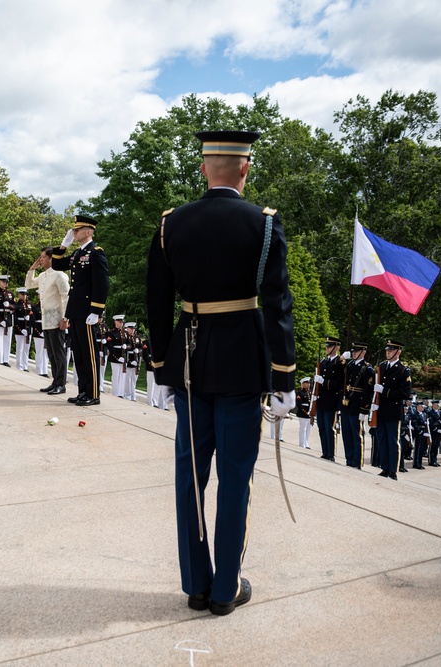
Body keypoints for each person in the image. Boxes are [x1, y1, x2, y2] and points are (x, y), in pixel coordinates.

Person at [146, 130, 295, 617]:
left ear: (205, 168)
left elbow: (156, 302)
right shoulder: (264, 224)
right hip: (243, 366)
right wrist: (285, 377)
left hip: (188, 363)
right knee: (235, 477)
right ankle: (226, 588)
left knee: (190, 476)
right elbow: (277, 307)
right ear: (245, 169)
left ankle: (196, 584)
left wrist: (160, 366)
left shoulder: (172, 224)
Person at [52, 215, 109, 407]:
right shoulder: (77, 254)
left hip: (87, 312)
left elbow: (102, 284)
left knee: (89, 353)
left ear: (89, 231)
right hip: (76, 310)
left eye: (78, 230)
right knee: (78, 353)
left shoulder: (96, 253)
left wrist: (96, 311)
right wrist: (63, 246)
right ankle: (83, 391)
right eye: (73, 230)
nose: (74, 233)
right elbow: (57, 264)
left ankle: (93, 394)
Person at [26, 247, 71, 394]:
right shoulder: (44, 275)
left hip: (58, 318)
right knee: (51, 353)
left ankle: (61, 384)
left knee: (59, 353)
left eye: (43, 257)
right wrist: (32, 269)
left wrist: (66, 318)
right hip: (46, 319)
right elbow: (29, 285)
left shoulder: (60, 275)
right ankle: (55, 381)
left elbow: (66, 297)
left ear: (51, 258)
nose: (41, 260)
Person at [371, 340, 412, 480]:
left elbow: (405, 394)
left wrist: (385, 391)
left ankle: (393, 470)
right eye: (387, 350)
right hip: (380, 409)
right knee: (382, 439)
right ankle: (384, 467)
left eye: (391, 350)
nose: (388, 352)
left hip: (394, 411)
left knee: (393, 441)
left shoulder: (403, 370)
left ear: (398, 352)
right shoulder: (381, 366)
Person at [340, 342, 373, 468]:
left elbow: (368, 391)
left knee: (357, 435)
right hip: (346, 404)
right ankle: (349, 459)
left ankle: (357, 462)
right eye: (353, 351)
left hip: (357, 406)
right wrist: (342, 358)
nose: (353, 353)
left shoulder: (367, 368)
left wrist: (364, 410)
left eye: (356, 351)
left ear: (363, 352)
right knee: (346, 434)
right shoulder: (348, 365)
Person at [314, 337, 346, 462]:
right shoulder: (323, 362)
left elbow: (339, 384)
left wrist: (324, 382)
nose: (327, 348)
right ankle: (325, 451)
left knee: (329, 427)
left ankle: (331, 453)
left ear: (337, 347)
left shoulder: (340, 363)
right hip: (321, 399)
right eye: (327, 346)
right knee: (321, 426)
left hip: (332, 400)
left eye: (330, 346)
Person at [13, 287, 33, 371]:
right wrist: (21, 329)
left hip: (28, 329)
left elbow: (32, 316)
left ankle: (25, 365)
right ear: (19, 295)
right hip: (20, 329)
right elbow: (16, 319)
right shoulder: (17, 305)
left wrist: (30, 319)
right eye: (22, 294)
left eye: (25, 295)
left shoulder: (29, 305)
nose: (24, 296)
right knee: (20, 348)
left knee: (26, 348)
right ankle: (19, 365)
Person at [106, 315, 127, 397]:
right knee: (116, 375)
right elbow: (110, 346)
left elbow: (129, 343)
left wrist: (127, 346)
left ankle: (121, 393)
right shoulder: (111, 333)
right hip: (115, 357)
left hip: (123, 356)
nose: (121, 323)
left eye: (122, 322)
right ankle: (115, 393)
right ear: (115, 322)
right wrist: (118, 357)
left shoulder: (125, 333)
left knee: (122, 376)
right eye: (119, 321)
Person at [123, 321, 140, 401]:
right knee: (127, 380)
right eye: (131, 328)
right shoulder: (126, 337)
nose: (132, 330)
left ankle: (133, 396)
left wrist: (138, 350)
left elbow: (141, 347)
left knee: (134, 380)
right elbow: (125, 350)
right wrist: (129, 361)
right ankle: (127, 395)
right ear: (127, 329)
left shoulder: (137, 338)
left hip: (136, 361)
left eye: (133, 329)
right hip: (129, 361)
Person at [296, 377, 313, 449]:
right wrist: (306, 412)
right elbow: (299, 404)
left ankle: (306, 442)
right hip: (302, 413)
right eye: (306, 383)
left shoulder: (311, 392)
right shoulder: (300, 393)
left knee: (308, 429)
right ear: (302, 384)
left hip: (309, 413)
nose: (308, 384)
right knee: (303, 429)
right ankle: (301, 443)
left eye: (308, 383)